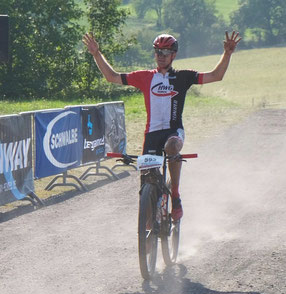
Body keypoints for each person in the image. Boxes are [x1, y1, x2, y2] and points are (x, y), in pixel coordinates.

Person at [83, 31, 241, 221]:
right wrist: (96, 54)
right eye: (158, 52)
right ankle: (150, 229)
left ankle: (175, 195)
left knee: (172, 147)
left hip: (173, 131)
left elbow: (216, 75)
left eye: (166, 53)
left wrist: (227, 54)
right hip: (152, 134)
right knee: (147, 190)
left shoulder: (184, 77)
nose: (161, 56)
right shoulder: (144, 77)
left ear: (173, 55)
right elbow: (112, 77)